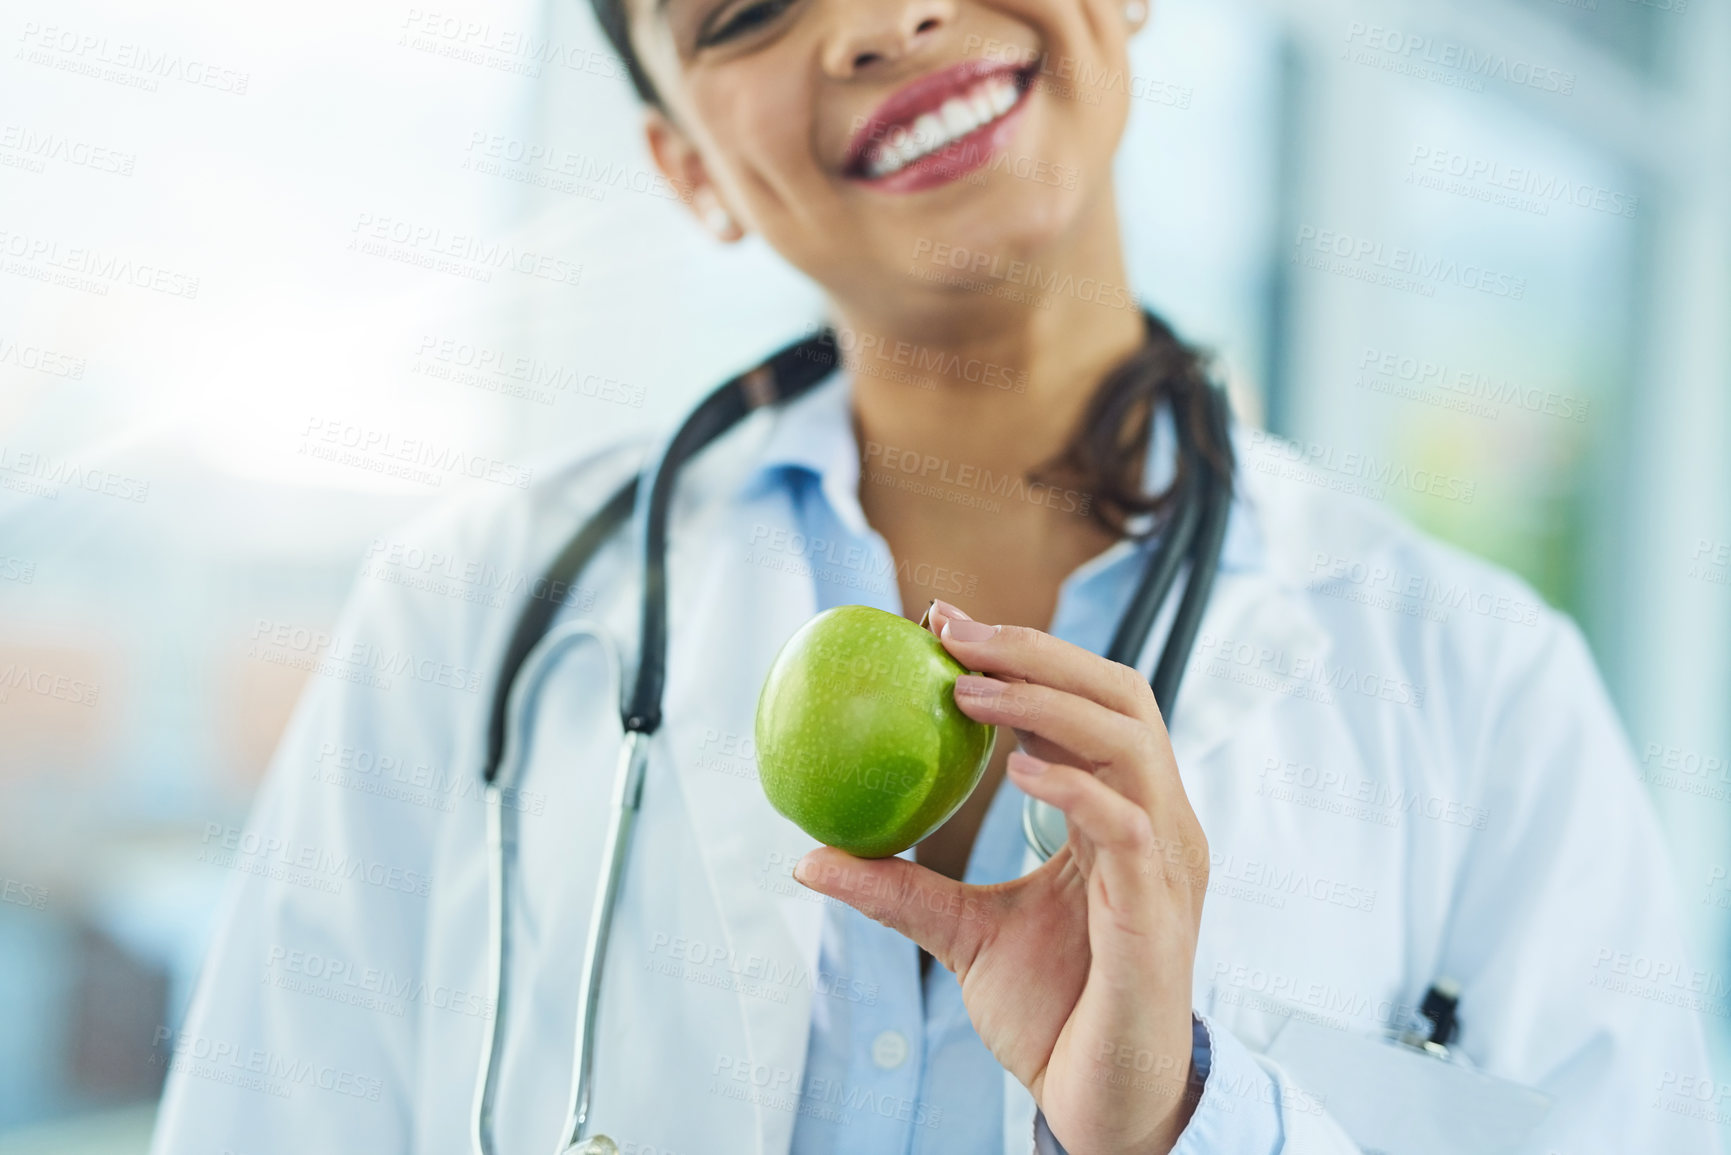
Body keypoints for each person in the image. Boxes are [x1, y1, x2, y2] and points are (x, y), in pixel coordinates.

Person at [151, 0, 1721, 1151]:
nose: (877, 19)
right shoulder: (472, 613)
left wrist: (1187, 1120)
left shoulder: (1483, 685)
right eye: (748, 14)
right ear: (687, 167)